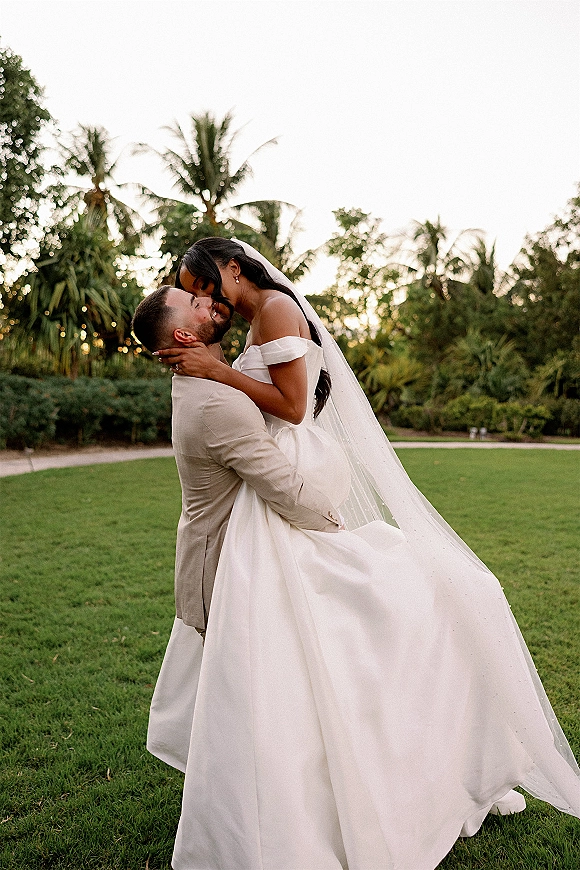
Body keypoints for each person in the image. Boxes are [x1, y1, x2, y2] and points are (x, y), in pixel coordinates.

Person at [149, 245, 579, 870]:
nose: (208, 301)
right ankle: (326, 787)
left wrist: (219, 373)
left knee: (364, 633)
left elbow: (294, 409)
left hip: (282, 501)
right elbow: (282, 438)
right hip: (272, 512)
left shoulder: (266, 316)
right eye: (194, 297)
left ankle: (412, 766)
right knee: (317, 654)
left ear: (233, 271)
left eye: (204, 287)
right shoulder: (234, 353)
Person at [131, 288, 342, 641]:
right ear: (183, 336)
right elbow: (285, 489)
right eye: (196, 304)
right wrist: (339, 530)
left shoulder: (200, 384)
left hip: (232, 564)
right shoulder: (217, 402)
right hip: (223, 578)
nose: (209, 300)